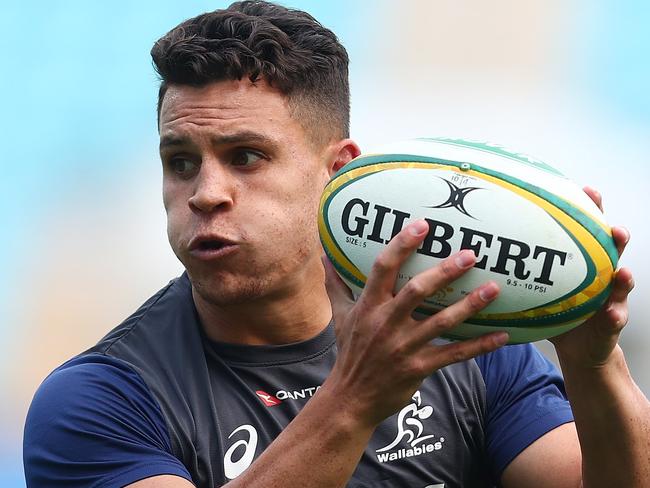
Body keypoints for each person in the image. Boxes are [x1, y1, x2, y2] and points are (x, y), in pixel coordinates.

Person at [23, 1, 650, 487]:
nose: (206, 193)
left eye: (246, 157)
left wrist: (593, 365)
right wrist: (353, 401)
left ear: (337, 171)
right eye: (180, 161)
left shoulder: (462, 339)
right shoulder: (101, 400)